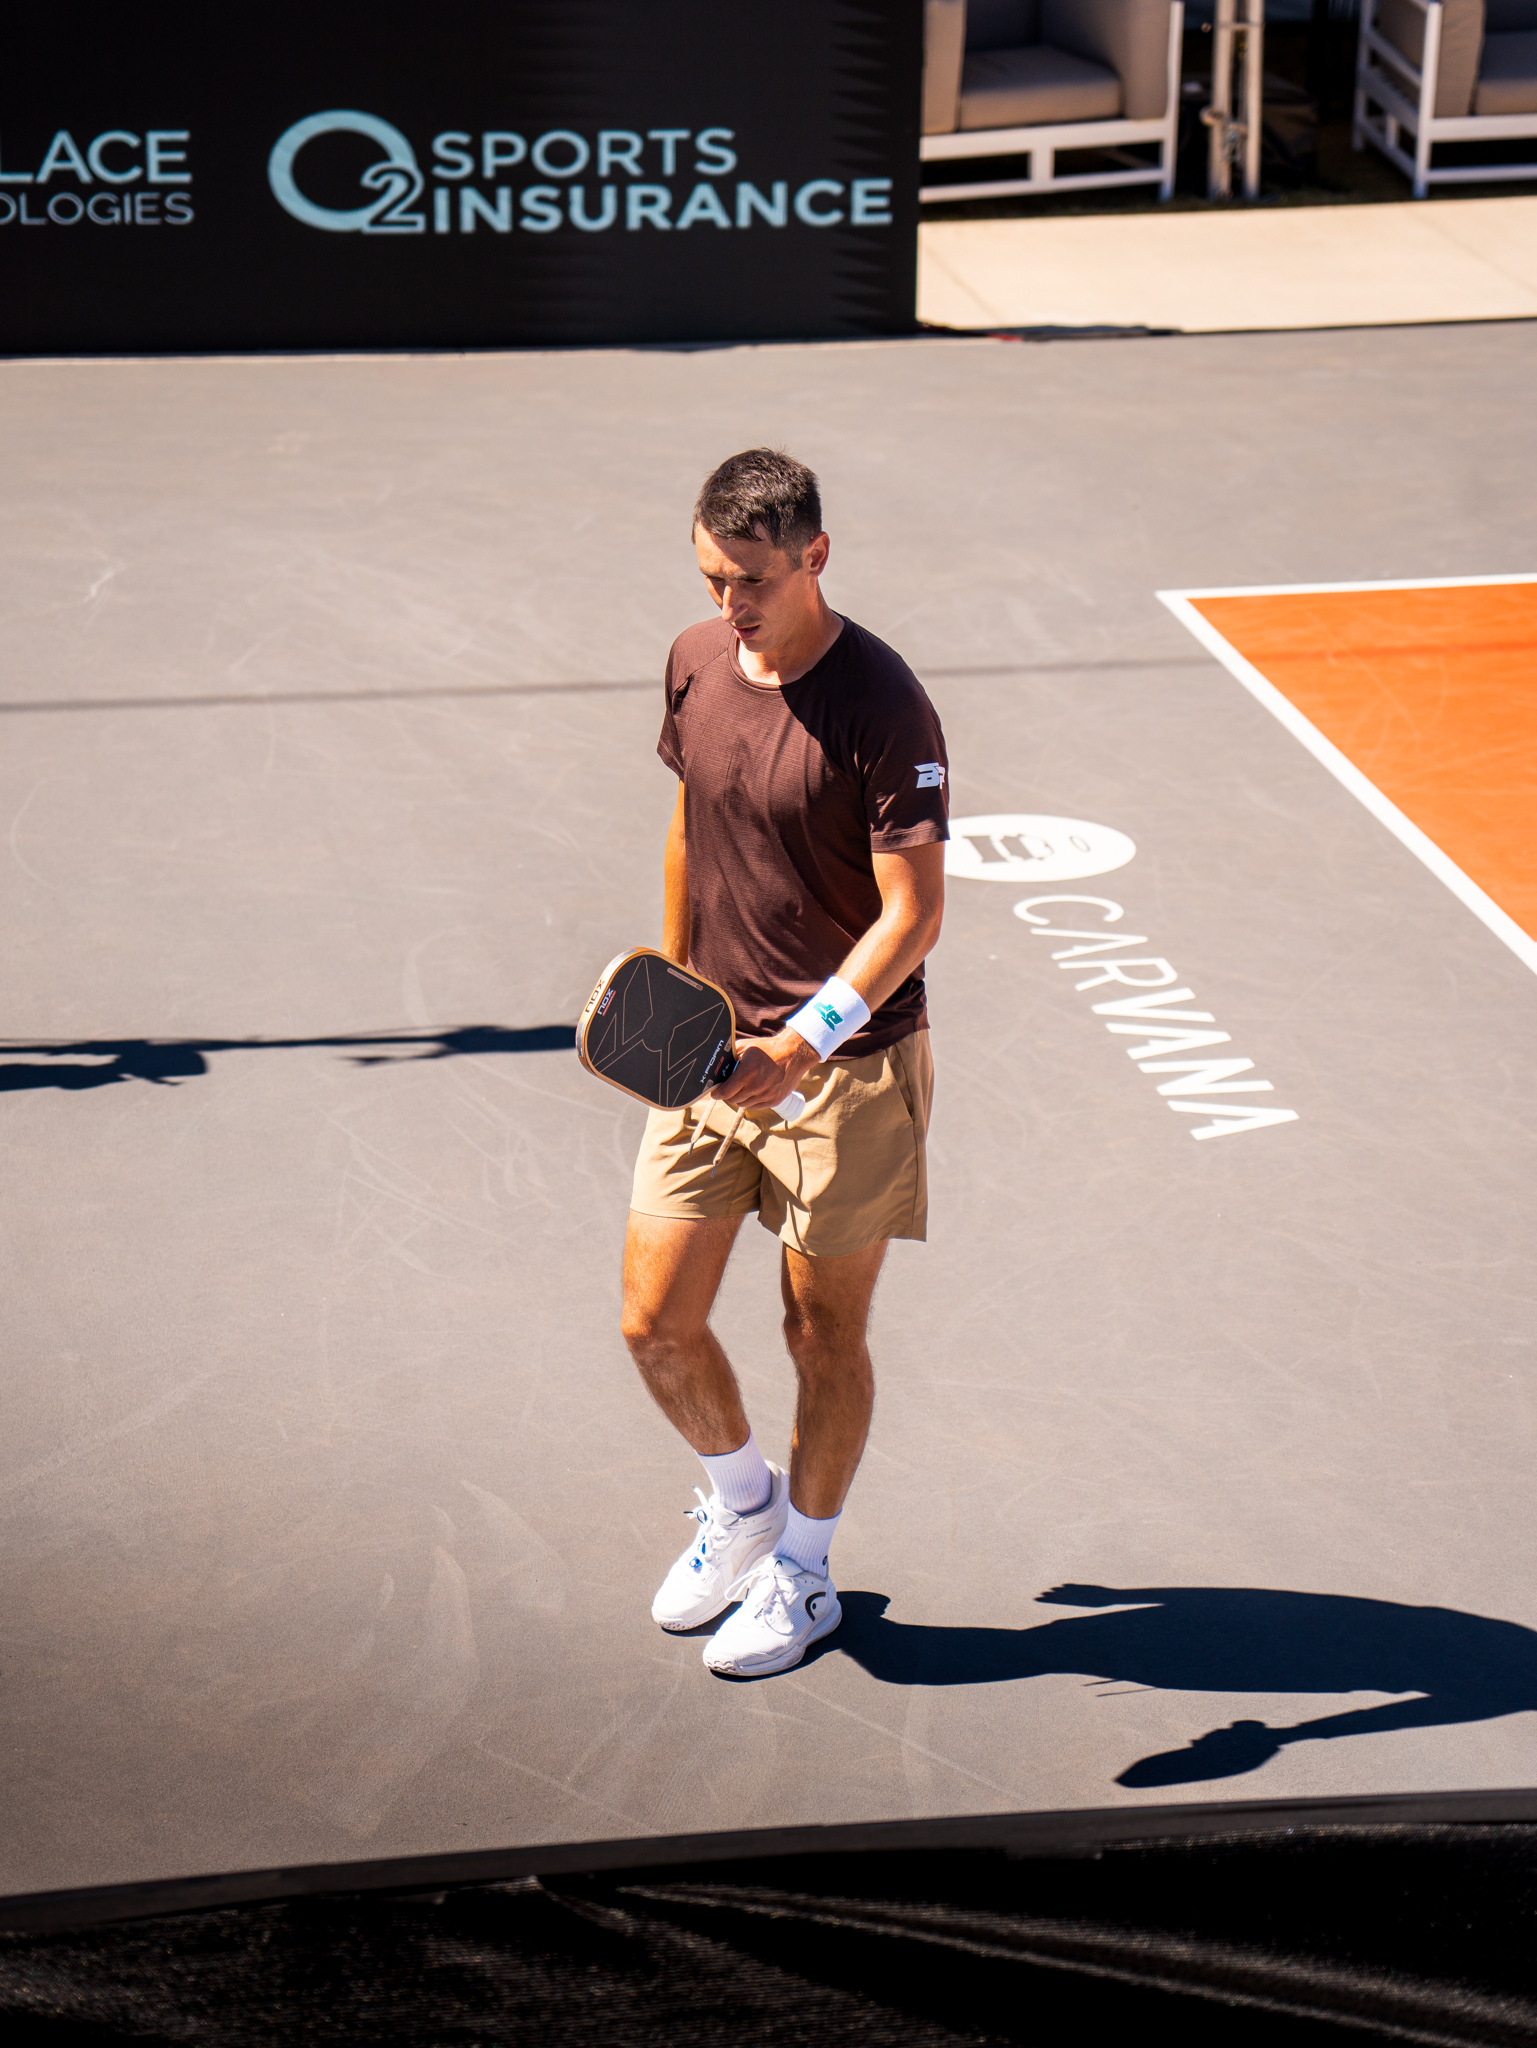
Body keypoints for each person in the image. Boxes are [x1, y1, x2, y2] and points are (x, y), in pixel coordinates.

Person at [621, 448, 949, 1679]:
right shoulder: (697, 659)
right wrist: (669, 987)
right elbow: (689, 817)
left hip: (844, 1070)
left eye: (751, 578)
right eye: (711, 576)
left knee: (822, 1337)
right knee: (655, 1321)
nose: (730, 604)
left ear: (814, 555)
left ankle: (804, 1574)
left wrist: (799, 1041)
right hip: (710, 1056)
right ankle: (740, 1500)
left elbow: (911, 913)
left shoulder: (883, 704)